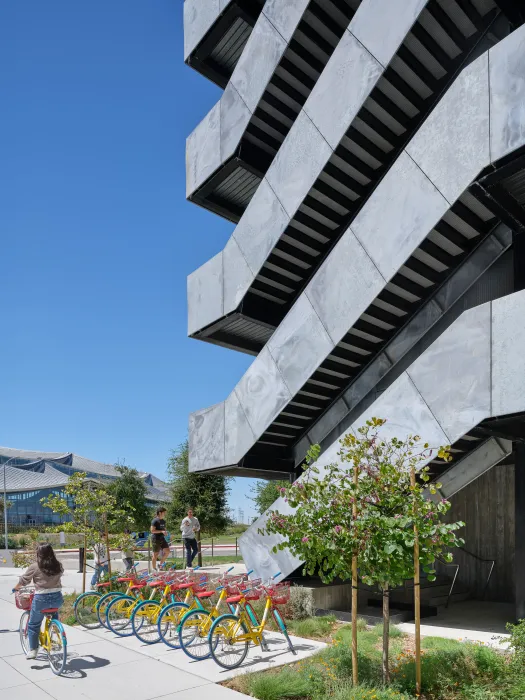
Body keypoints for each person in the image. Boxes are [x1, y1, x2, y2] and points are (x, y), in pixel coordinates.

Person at [13, 543, 64, 660]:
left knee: (33, 625)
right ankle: (55, 629)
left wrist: (16, 588)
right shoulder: (58, 566)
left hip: (41, 599)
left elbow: (24, 580)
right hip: (57, 598)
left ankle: (33, 650)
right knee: (53, 613)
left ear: (39, 553)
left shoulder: (35, 566)